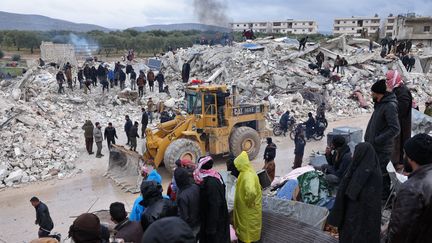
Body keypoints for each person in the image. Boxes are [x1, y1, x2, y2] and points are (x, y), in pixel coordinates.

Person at [328, 143, 382, 243]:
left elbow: (351, 194)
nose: (352, 156)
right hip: (358, 218)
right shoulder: (370, 170)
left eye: (355, 153)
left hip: (356, 216)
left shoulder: (365, 174)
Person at [387, 134, 432, 242]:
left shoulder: (412, 189)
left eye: (404, 154)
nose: (403, 157)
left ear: (411, 158)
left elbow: (399, 232)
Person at [364, 79, 400, 200]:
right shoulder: (380, 104)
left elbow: (395, 129)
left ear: (379, 94)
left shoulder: (389, 106)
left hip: (383, 148)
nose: (371, 96)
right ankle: (377, 195)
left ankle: (383, 198)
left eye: (373, 93)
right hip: (375, 146)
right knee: (375, 172)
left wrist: (378, 139)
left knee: (383, 174)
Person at [194, 156, 230, 243]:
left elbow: (214, 206)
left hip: (215, 222)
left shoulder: (211, 183)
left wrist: (211, 228)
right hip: (216, 217)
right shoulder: (215, 175)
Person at [233, 151, 262, 243]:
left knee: (248, 230)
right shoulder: (247, 171)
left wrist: (249, 202)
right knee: (248, 228)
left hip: (248, 209)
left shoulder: (247, 176)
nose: (236, 167)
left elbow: (251, 192)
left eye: (237, 165)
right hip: (248, 209)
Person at [386, 70, 412, 168]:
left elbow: (401, 110)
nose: (387, 82)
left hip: (401, 125)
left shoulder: (403, 91)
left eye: (388, 79)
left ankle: (400, 163)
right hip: (397, 124)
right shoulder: (396, 89)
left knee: (400, 145)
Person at [175, 167, 201, 238]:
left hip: (191, 227)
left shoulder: (182, 197)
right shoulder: (195, 187)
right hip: (200, 221)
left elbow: (184, 217)